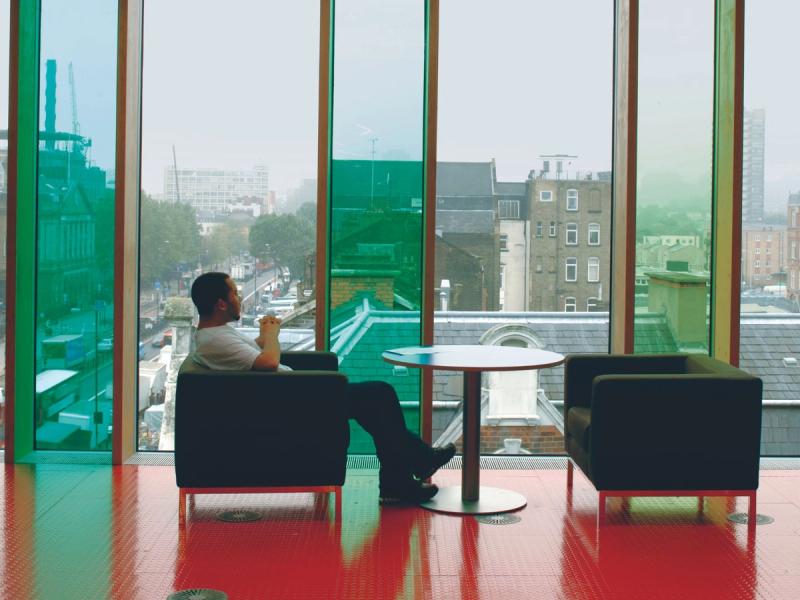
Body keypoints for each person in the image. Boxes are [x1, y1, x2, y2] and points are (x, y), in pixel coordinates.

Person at [190, 272, 455, 504]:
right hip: (293, 402)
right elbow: (269, 361)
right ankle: (410, 470)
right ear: (221, 303)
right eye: (235, 293)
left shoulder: (217, 334)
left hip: (292, 395)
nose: (240, 298)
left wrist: (266, 334)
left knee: (376, 406)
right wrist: (271, 337)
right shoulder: (215, 340)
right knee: (380, 394)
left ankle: (402, 478)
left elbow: (251, 352)